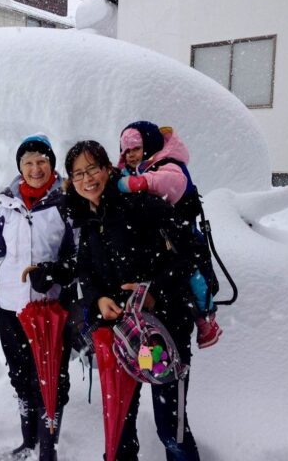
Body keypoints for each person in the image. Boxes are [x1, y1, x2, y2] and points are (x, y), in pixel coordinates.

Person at [65, 140, 201, 461]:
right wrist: (98, 300)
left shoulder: (140, 206)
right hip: (123, 338)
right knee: (120, 426)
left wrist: (154, 290)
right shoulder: (88, 219)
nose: (88, 179)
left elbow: (191, 251)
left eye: (93, 168)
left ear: (108, 168)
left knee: (171, 430)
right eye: (79, 173)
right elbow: (85, 270)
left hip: (164, 333)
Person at [0, 133, 75, 461]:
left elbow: (81, 258)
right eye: (28, 162)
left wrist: (55, 272)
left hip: (48, 310)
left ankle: (49, 448)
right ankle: (28, 440)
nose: (35, 168)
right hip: (10, 308)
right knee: (20, 377)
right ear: (20, 167)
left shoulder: (65, 204)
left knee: (49, 380)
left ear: (51, 165)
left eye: (41, 161)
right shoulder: (9, 206)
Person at [116, 121, 222, 348]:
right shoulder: (136, 168)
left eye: (135, 148)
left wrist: (134, 183)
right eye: (125, 151)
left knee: (194, 277)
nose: (130, 155)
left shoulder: (168, 163)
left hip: (181, 238)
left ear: (150, 144)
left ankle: (206, 317)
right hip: (157, 243)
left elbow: (171, 184)